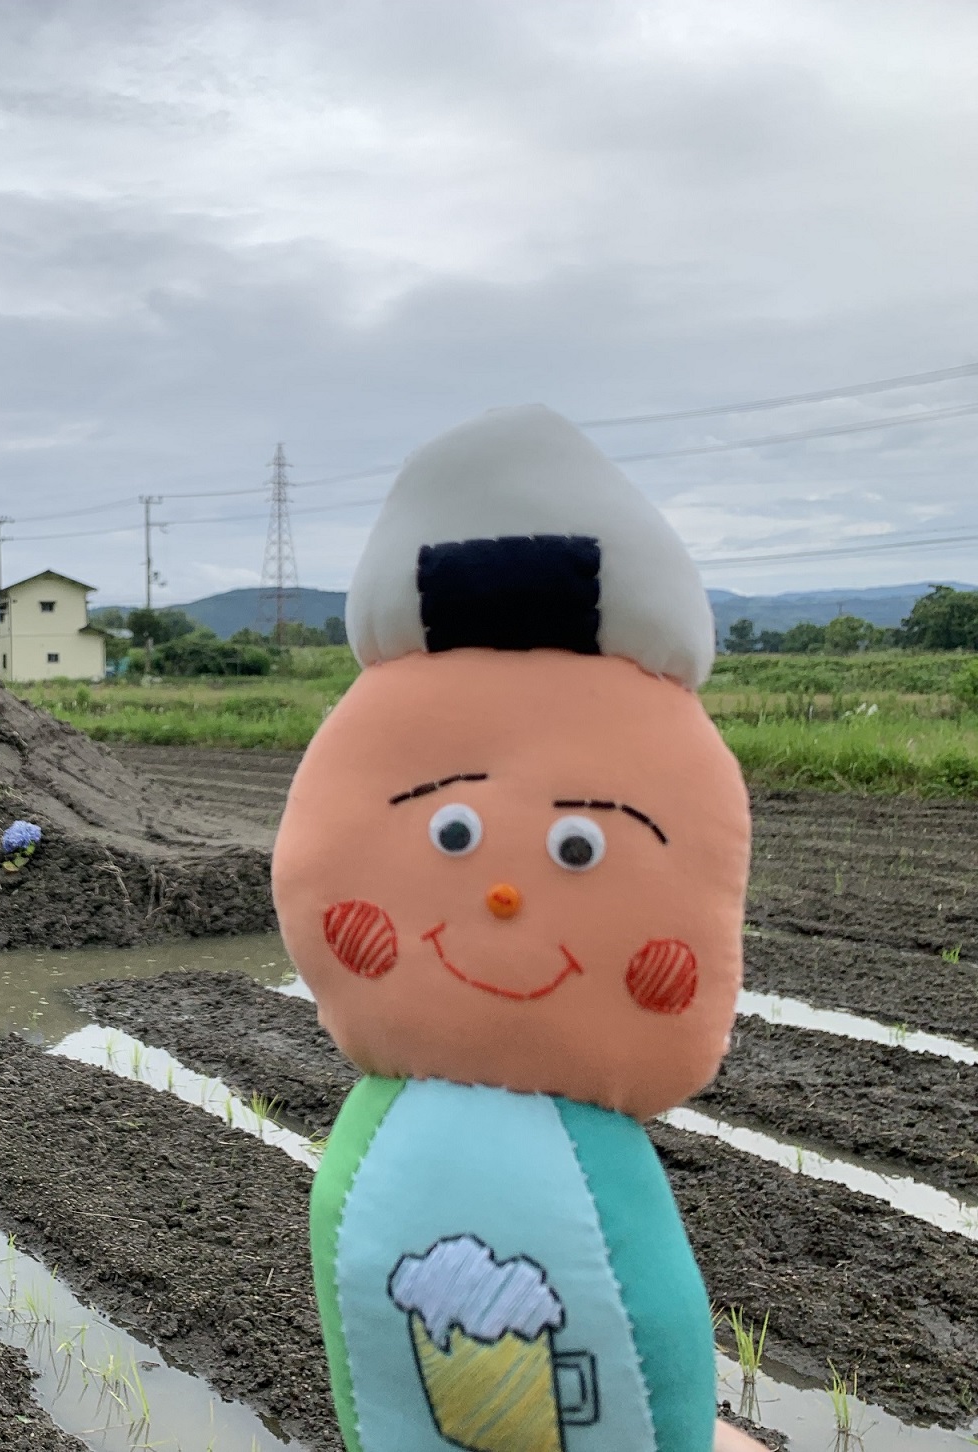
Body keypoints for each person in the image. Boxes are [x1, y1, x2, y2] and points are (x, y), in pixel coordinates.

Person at [272, 405, 767, 1452]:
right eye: (451, 834)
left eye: (577, 848)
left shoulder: (400, 1134)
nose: (501, 894)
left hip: (394, 1174)